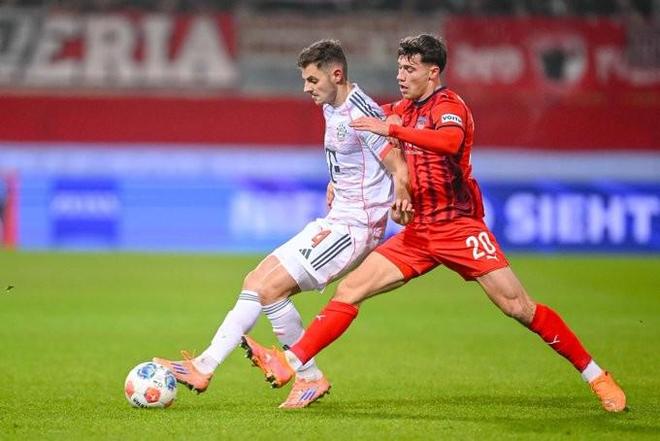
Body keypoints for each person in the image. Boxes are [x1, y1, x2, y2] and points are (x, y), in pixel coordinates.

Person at [240, 34, 627, 413]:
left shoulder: (448, 106)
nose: (401, 76)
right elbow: (361, 131)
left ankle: (596, 376)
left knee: (518, 306)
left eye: (410, 69)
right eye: (399, 68)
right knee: (350, 289)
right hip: (418, 233)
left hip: (458, 227)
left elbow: (448, 143)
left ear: (433, 72)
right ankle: (292, 363)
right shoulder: (401, 109)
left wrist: (391, 129)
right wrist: (339, 178)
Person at [154, 39, 412, 409]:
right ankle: (221, 367)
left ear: (337, 74)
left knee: (270, 288)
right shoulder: (334, 106)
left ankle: (245, 371)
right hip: (337, 219)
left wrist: (400, 198)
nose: (306, 88)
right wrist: (337, 181)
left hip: (354, 228)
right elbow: (356, 158)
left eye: (312, 80)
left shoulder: (359, 111)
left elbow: (397, 163)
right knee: (256, 282)